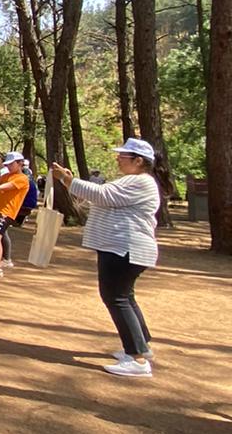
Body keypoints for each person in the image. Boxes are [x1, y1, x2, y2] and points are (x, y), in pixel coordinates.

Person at [52, 138, 162, 378]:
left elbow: (102, 194)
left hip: (124, 248)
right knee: (125, 297)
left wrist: (66, 179)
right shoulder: (134, 181)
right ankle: (140, 346)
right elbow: (102, 198)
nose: (118, 159)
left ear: (139, 160)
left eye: (123, 156)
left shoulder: (139, 181)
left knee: (116, 298)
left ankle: (138, 359)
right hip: (122, 247)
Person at [0, 152, 29, 277]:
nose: (8, 166)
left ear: (20, 163)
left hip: (6, 212)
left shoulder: (22, 179)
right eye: (7, 164)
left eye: (11, 164)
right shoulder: (6, 175)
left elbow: (4, 187)